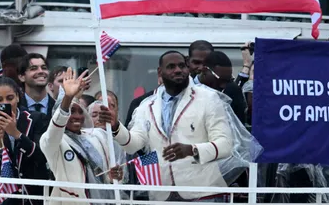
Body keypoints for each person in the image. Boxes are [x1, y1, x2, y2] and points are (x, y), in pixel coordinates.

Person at [99, 51, 233, 202]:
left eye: (182, 66)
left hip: (202, 193)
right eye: (171, 66)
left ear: (188, 68)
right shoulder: (147, 106)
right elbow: (133, 145)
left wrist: (191, 149)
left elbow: (225, 145)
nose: (177, 70)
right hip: (163, 194)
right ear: (160, 72)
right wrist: (116, 125)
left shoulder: (208, 99)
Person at [40, 68, 122, 203]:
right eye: (72, 111)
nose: (77, 116)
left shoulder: (95, 137)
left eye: (80, 111)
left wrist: (113, 176)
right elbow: (56, 127)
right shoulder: (52, 141)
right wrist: (67, 97)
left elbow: (102, 177)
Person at [0, 77, 50, 204]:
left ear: (18, 97)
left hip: (35, 195)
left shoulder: (37, 119)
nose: (5, 103)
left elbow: (41, 156)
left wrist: (16, 134)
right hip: (7, 197)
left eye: (10, 98)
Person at [199, 51, 247, 124]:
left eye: (228, 80)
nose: (224, 86)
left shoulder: (232, 91)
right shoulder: (188, 89)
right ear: (205, 70)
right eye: (221, 80)